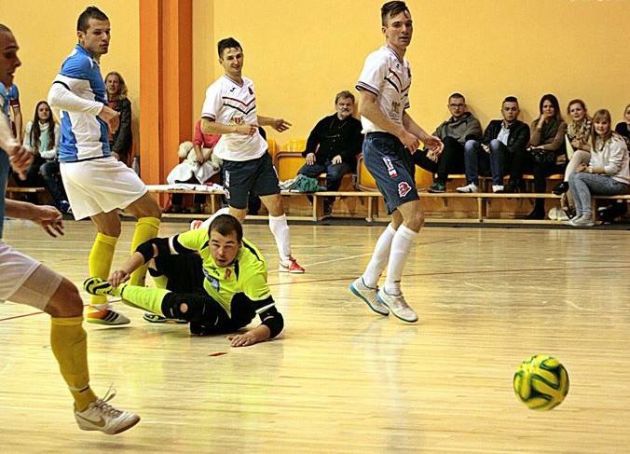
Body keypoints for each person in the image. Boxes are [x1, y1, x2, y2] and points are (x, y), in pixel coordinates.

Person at [0, 22, 139, 435]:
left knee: (65, 299)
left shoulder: (5, 99)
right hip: (87, 163)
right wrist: (10, 146)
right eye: (9, 53)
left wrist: (31, 211)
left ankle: (86, 406)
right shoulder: (77, 65)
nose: (19, 61)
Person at [48, 6, 162, 325]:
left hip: (72, 165)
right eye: (97, 32)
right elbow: (54, 96)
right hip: (89, 161)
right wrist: (101, 110)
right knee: (151, 212)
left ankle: (97, 306)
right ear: (81, 35)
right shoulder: (79, 61)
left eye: (108, 31)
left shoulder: (89, 64)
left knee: (109, 228)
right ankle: (142, 295)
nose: (105, 37)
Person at [349, 1, 443, 323]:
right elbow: (365, 106)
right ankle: (392, 288)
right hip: (379, 145)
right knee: (415, 214)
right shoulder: (378, 60)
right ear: (385, 29)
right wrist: (402, 134)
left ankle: (366, 283)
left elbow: (399, 111)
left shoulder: (404, 66)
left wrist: (424, 135)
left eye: (408, 24)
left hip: (395, 142)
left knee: (401, 220)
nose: (404, 30)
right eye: (398, 24)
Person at [83, 214, 284, 347]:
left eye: (229, 246)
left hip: (226, 312)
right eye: (216, 245)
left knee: (183, 306)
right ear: (209, 239)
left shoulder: (251, 271)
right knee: (158, 253)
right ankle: (164, 312)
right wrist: (124, 270)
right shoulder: (203, 238)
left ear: (239, 245)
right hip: (206, 284)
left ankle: (113, 290)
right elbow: (153, 246)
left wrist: (253, 335)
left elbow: (274, 320)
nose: (221, 253)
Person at [200, 37, 304, 273]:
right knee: (237, 215)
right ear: (221, 61)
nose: (236, 61)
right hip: (236, 162)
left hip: (259, 155)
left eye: (238, 56)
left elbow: (249, 118)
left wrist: (271, 121)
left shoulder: (249, 83)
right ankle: (202, 230)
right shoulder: (216, 90)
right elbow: (206, 125)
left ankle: (286, 259)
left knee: (276, 203)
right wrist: (236, 129)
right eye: (230, 58)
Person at [297, 90, 363, 215]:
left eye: (348, 105)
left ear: (352, 106)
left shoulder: (357, 125)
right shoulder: (326, 121)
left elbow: (357, 146)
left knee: (334, 174)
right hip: (321, 159)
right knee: (302, 175)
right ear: (336, 105)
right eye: (342, 104)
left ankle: (328, 201)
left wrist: (342, 155)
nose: (345, 107)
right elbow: (313, 137)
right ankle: (319, 201)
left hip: (343, 161)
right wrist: (310, 152)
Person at [566, 109, 630, 227]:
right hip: (605, 179)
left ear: (609, 124)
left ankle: (587, 215)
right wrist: (586, 168)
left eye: (604, 123)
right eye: (598, 123)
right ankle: (579, 214)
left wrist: (589, 171)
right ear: (594, 124)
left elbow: (612, 169)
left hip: (619, 182)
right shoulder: (597, 140)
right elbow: (594, 163)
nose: (600, 126)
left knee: (579, 177)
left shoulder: (617, 141)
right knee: (573, 176)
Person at [456, 96, 530, 193]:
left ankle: (497, 184)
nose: (510, 112)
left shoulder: (523, 128)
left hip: (507, 162)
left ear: (518, 112)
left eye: (513, 109)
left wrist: (494, 147)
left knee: (495, 143)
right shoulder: (493, 124)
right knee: (470, 144)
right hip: (488, 160)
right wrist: (486, 146)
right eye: (507, 109)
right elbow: (485, 140)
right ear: (502, 111)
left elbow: (516, 148)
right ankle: (472, 183)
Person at [413, 93, 482, 193]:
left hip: (460, 161)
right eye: (453, 105)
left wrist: (441, 148)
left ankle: (440, 182)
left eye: (460, 105)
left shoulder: (472, 123)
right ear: (449, 107)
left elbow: (466, 143)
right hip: (441, 161)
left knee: (448, 141)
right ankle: (409, 185)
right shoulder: (444, 126)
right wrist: (430, 150)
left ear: (464, 107)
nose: (457, 108)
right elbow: (431, 141)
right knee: (411, 151)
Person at [23, 100, 71, 213]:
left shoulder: (55, 127)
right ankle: (31, 200)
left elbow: (56, 150)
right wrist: (30, 151)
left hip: (49, 159)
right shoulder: (31, 126)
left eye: (46, 110)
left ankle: (61, 202)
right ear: (37, 112)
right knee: (21, 169)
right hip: (34, 158)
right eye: (41, 110)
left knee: (43, 168)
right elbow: (26, 144)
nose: (44, 112)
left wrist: (41, 154)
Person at [525, 93, 568, 219]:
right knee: (537, 167)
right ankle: (538, 209)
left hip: (553, 160)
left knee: (539, 169)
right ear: (541, 109)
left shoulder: (561, 124)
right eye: (545, 106)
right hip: (538, 160)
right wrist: (540, 124)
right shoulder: (535, 123)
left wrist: (540, 147)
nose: (548, 109)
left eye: (551, 106)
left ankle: (538, 209)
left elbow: (555, 145)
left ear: (556, 109)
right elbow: (533, 142)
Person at [551, 99, 592, 196]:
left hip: (593, 158)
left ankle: (565, 183)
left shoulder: (593, 126)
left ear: (584, 111)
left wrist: (582, 146)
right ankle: (569, 207)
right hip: (575, 161)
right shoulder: (569, 129)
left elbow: (599, 150)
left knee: (579, 153)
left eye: (578, 109)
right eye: (572, 111)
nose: (576, 113)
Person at [104, 71, 132, 165]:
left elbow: (125, 127)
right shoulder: (100, 102)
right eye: (109, 81)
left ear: (120, 85)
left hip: (117, 145)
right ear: (105, 84)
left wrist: (116, 150)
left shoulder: (124, 103)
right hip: (102, 144)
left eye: (115, 82)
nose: (112, 85)